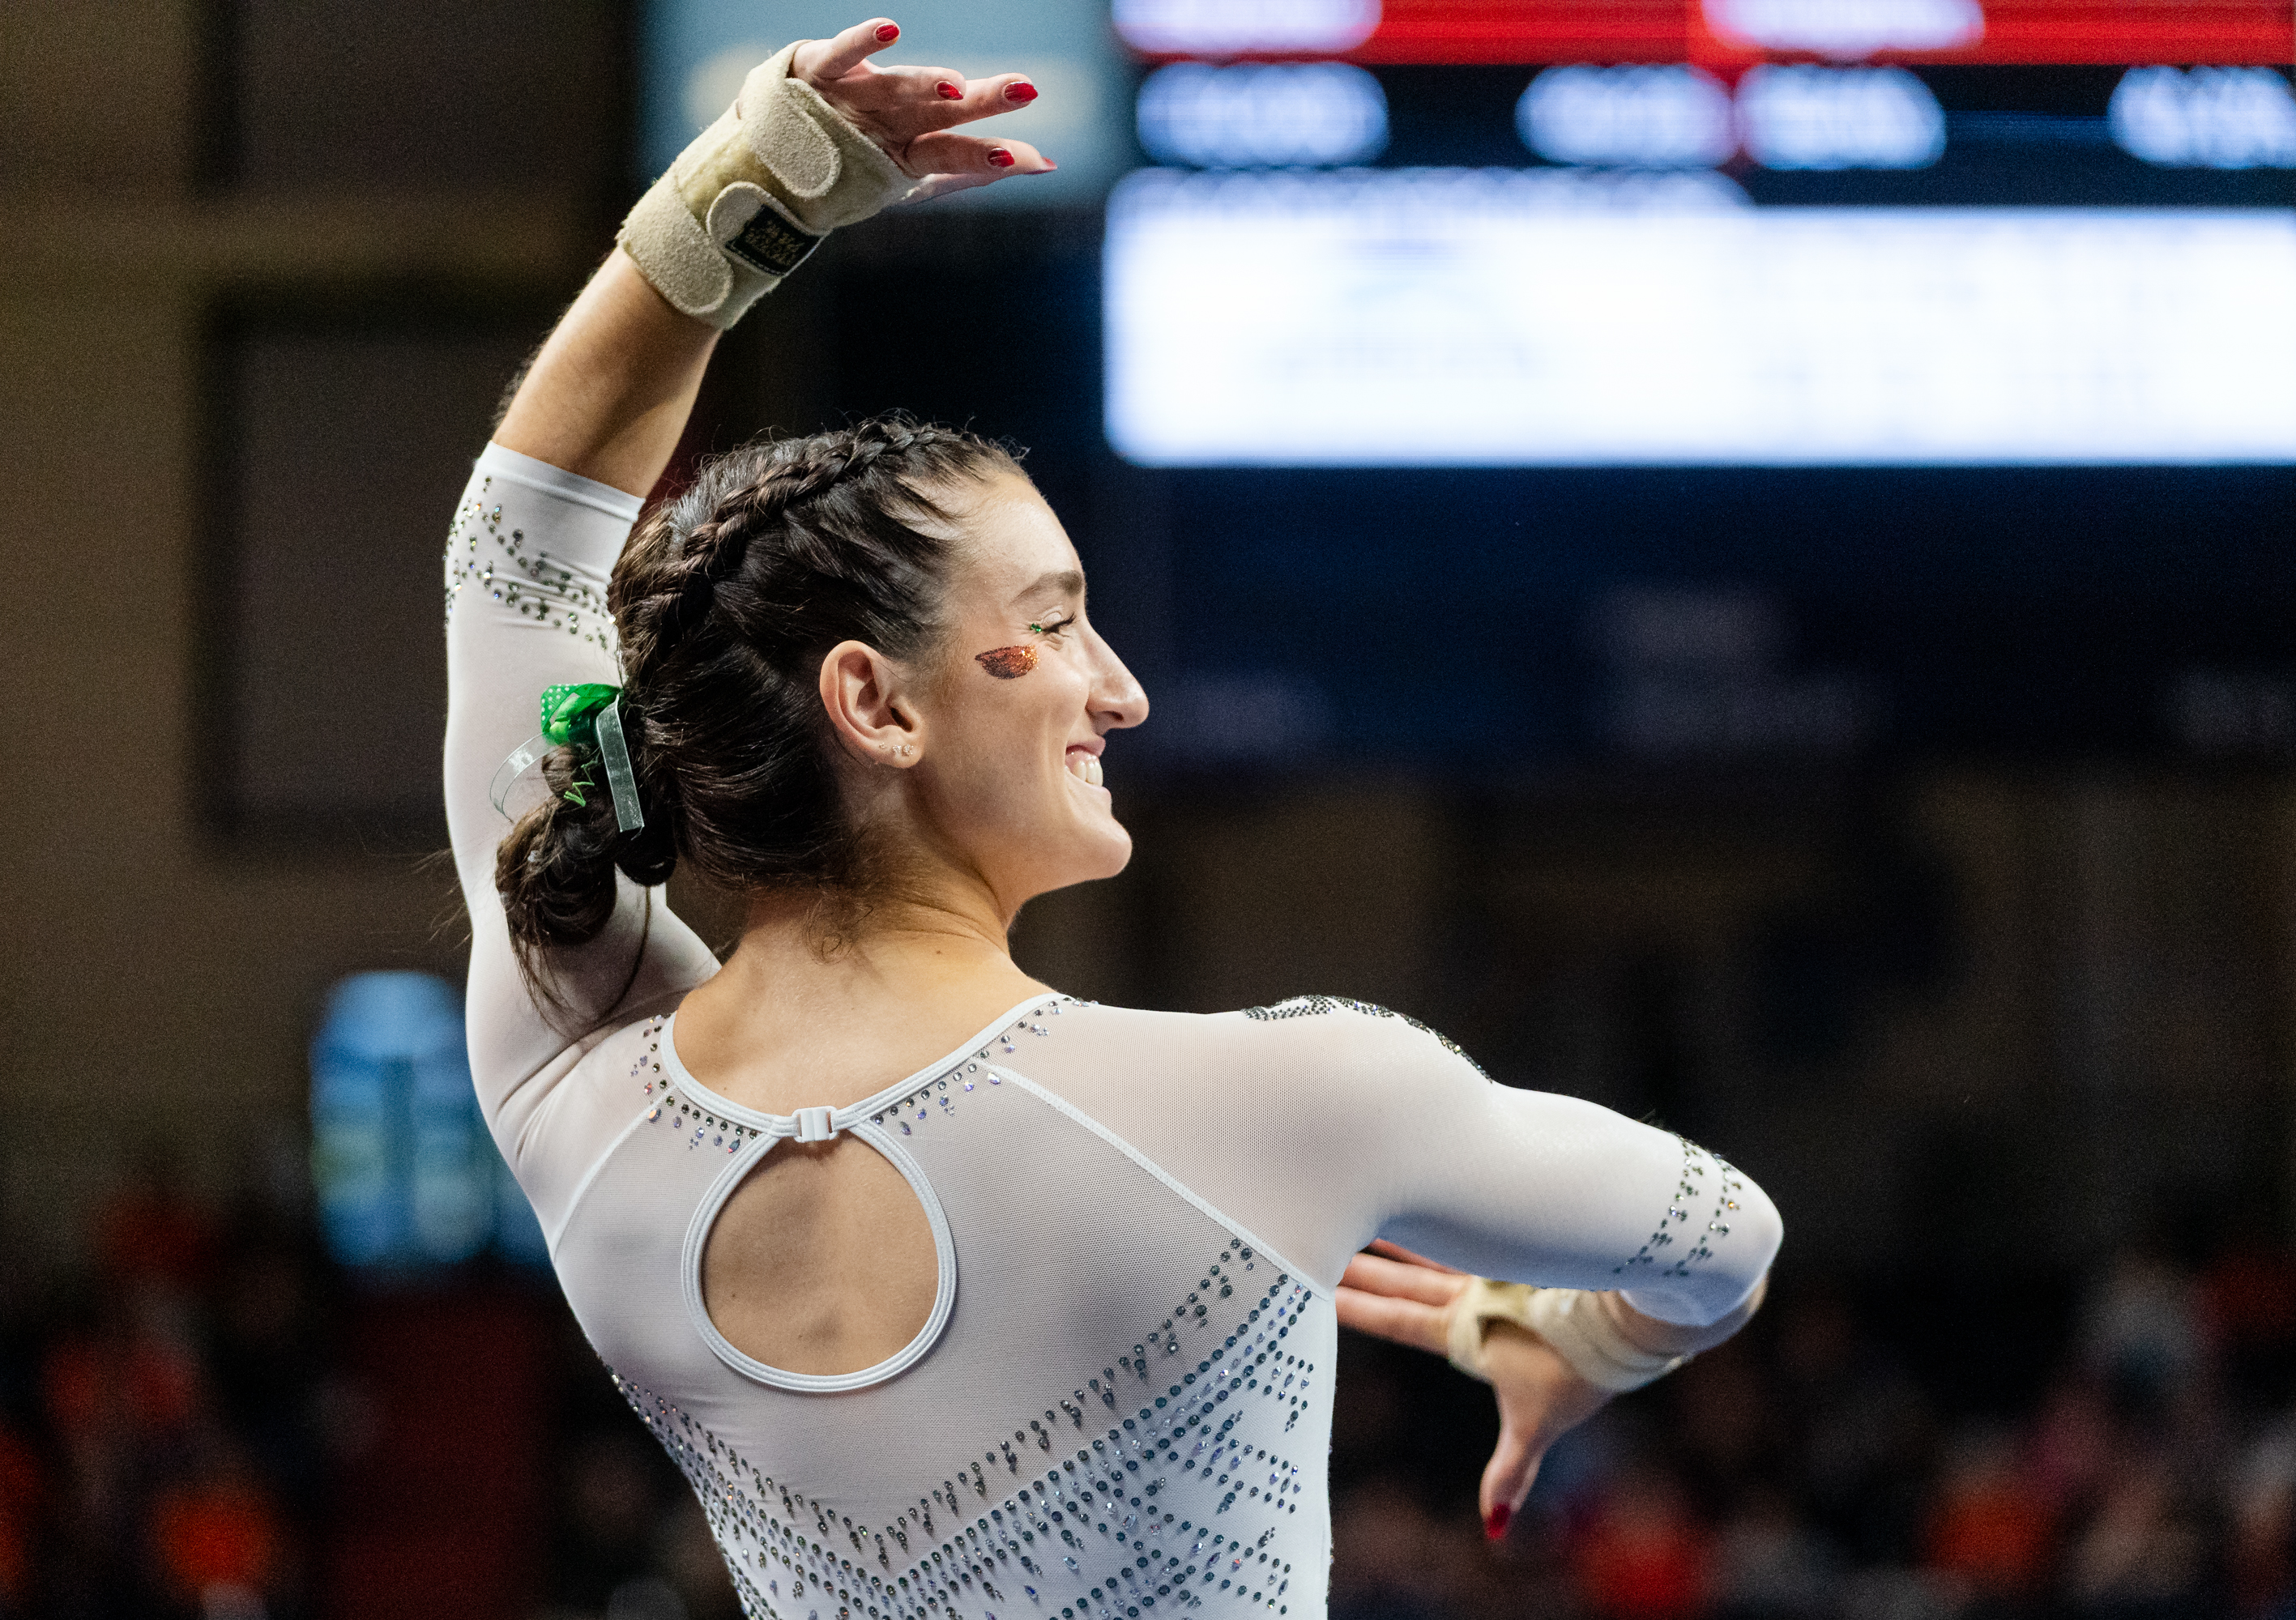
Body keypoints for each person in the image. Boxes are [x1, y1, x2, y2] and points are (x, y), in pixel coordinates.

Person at [445, 19, 1782, 1618]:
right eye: (1058, 620)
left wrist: (751, 190)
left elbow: (517, 548)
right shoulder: (1293, 1100)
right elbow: (1722, 1235)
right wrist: (1585, 1343)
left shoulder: (577, 1090)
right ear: (876, 704)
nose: (1120, 688)